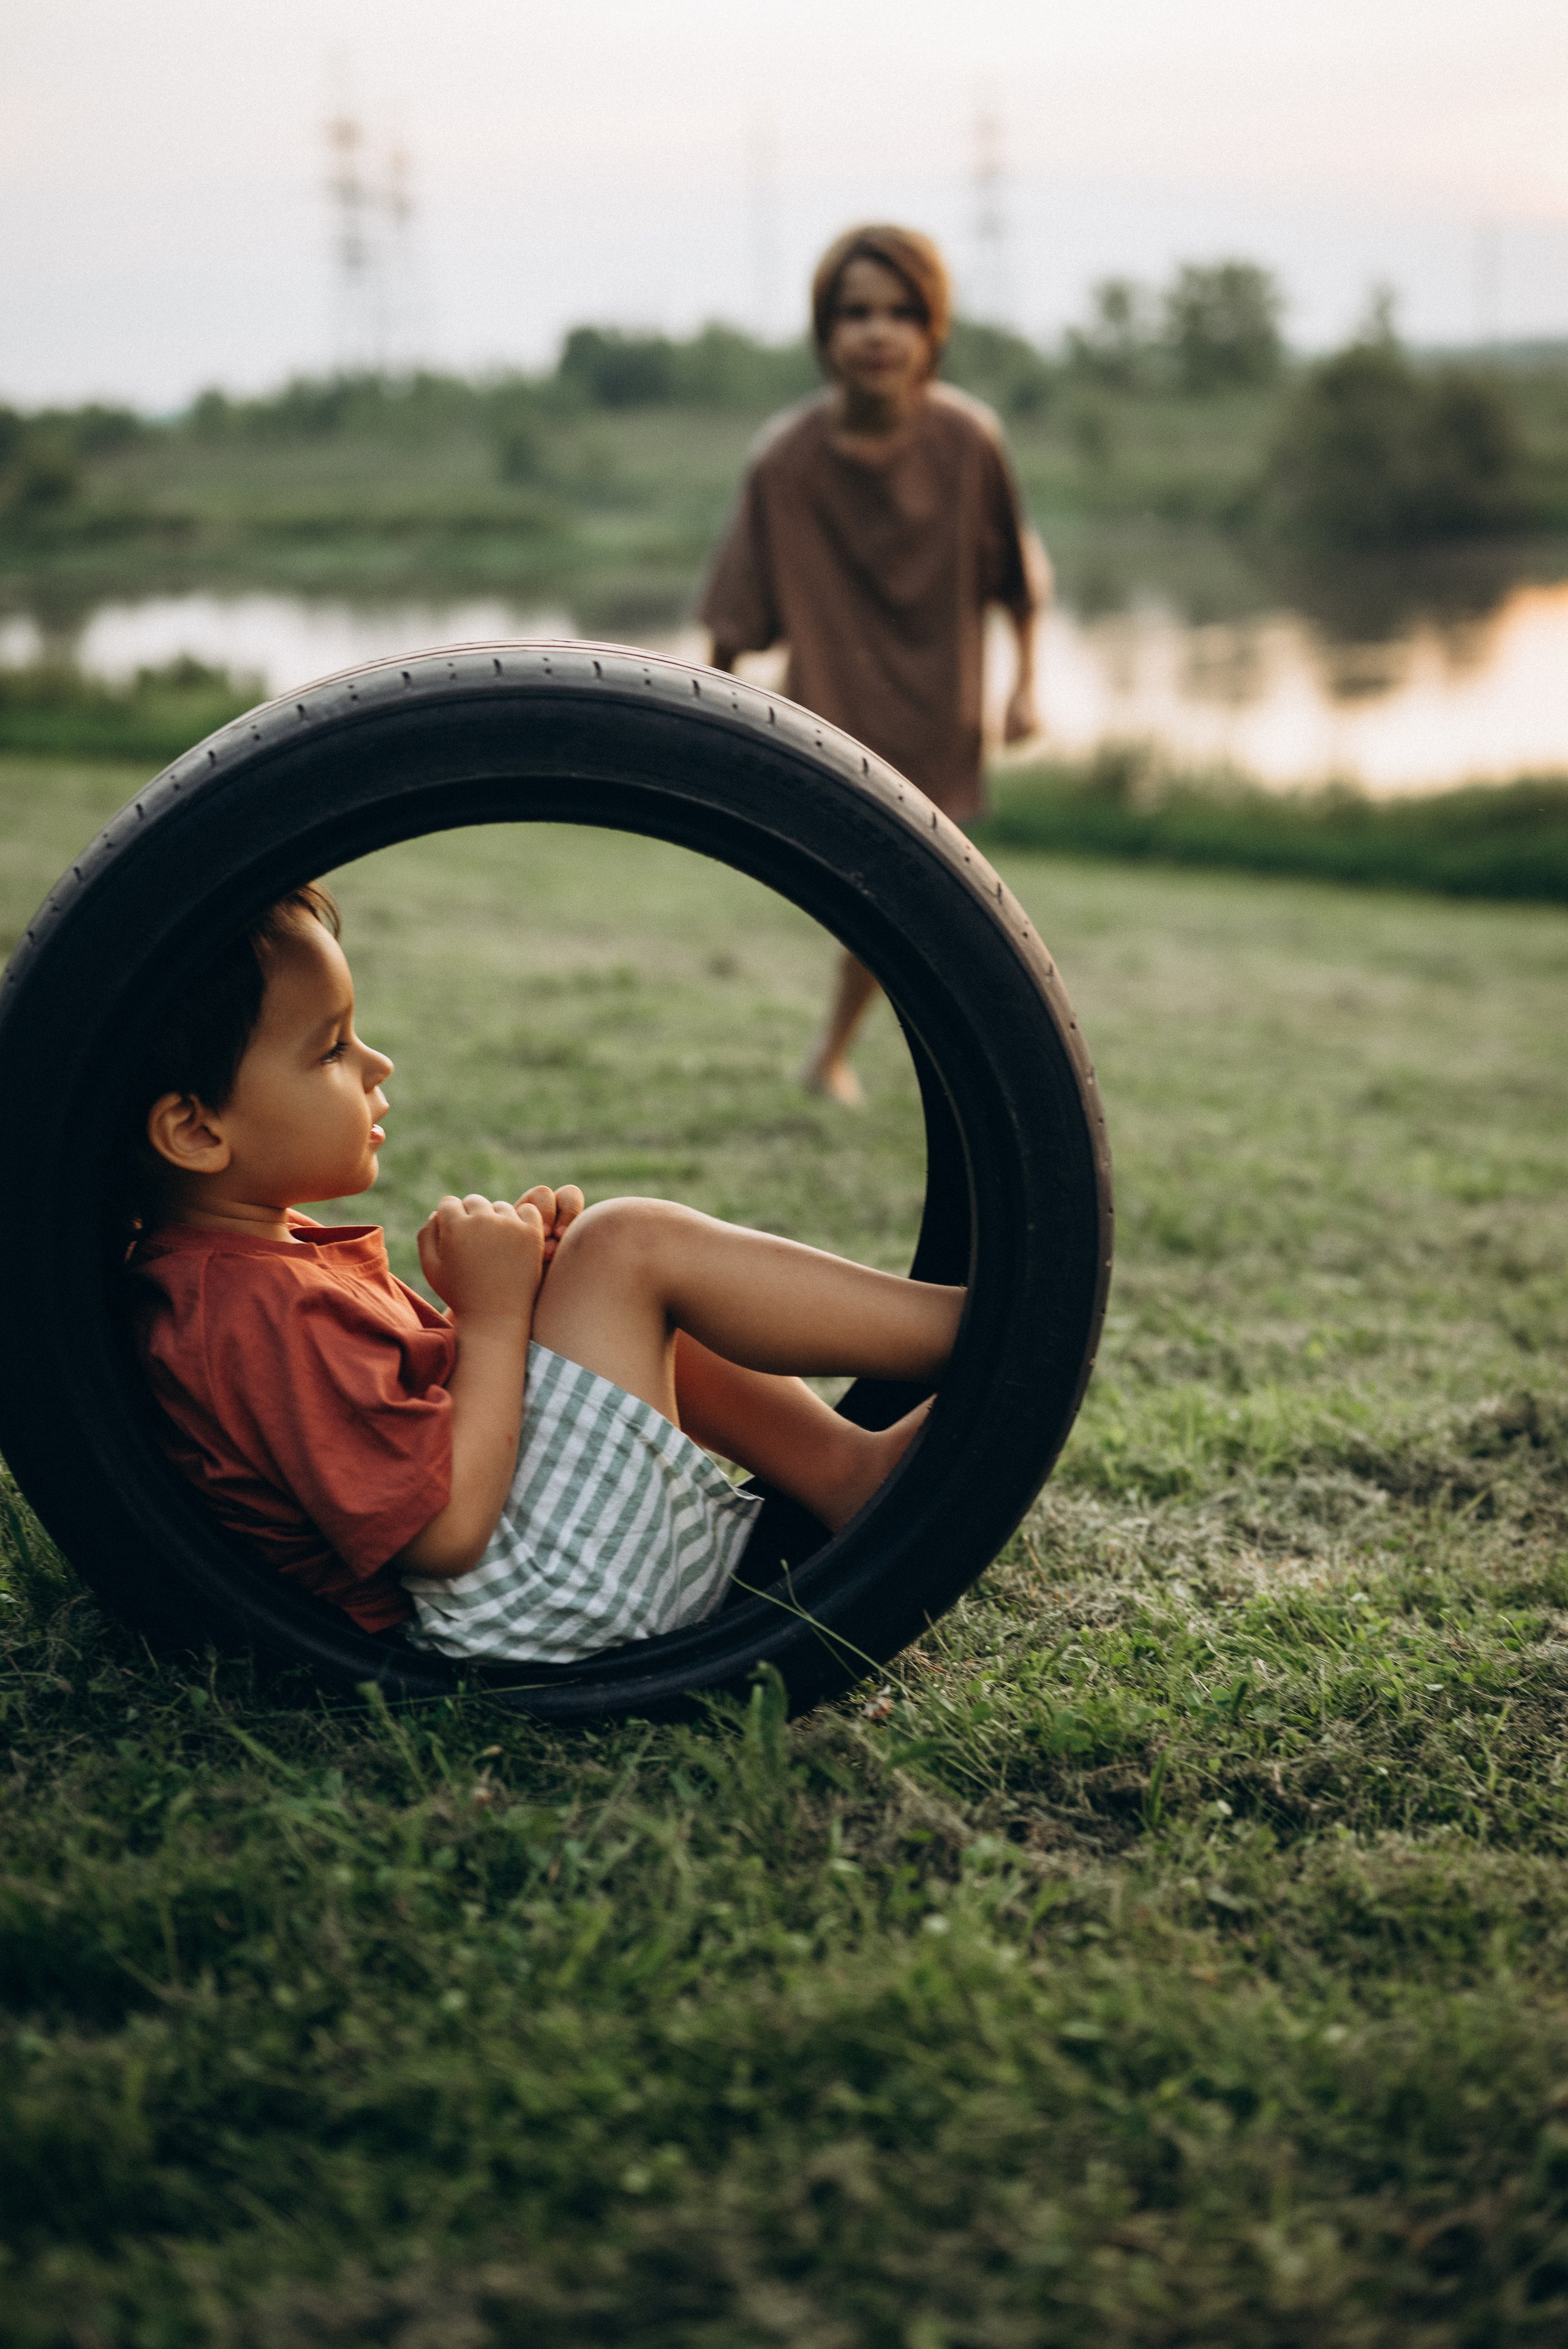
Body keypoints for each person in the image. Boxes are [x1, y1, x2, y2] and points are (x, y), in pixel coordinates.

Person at [121, 886, 962, 1665]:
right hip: (525, 1609)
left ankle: (847, 1474)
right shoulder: (242, 1314)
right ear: (196, 1132)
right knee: (629, 1245)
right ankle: (992, 1330)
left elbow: (413, 1424)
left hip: (523, 1581)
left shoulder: (245, 1266)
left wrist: (535, 1301)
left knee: (595, 1269)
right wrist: (492, 1318)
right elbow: (444, 1533)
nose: (378, 1065)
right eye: (332, 1049)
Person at [701, 222, 1049, 1106]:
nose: (877, 333)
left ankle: (858, 1060)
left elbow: (1018, 576)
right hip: (827, 717)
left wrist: (1025, 685)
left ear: (933, 330)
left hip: (938, 709)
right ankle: (864, 1060)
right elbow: (737, 614)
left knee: (922, 909)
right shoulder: (784, 461)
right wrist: (710, 733)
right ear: (826, 332)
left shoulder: (972, 442)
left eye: (901, 313)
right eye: (855, 313)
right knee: (880, 905)